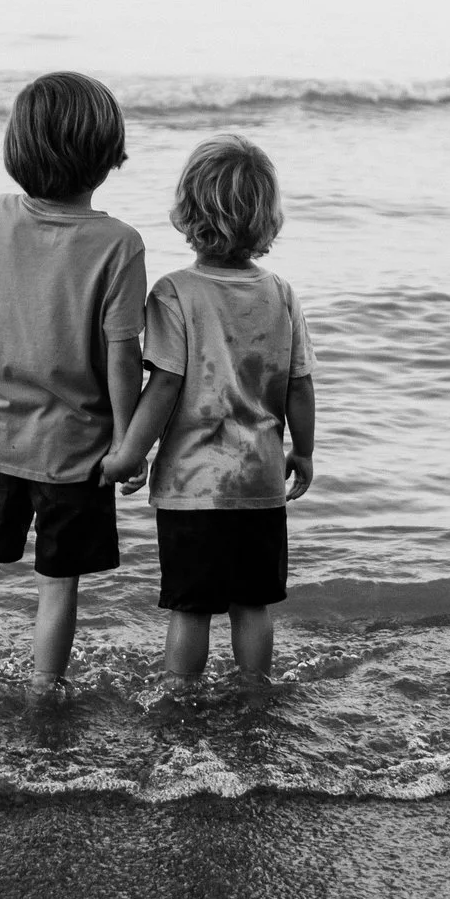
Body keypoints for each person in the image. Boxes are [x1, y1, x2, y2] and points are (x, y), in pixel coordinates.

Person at [0, 71, 146, 690]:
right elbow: (121, 354)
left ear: (18, 148)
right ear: (108, 155)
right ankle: (44, 689)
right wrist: (126, 439)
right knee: (58, 582)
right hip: (74, 452)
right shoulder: (118, 245)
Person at [99, 134, 314, 680]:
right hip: (260, 487)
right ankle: (255, 690)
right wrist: (304, 452)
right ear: (266, 218)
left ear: (188, 212)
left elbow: (165, 385)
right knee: (252, 604)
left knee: (190, 607)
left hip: (191, 488)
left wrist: (129, 452)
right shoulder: (282, 293)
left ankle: (179, 694)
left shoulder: (173, 293)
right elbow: (298, 385)